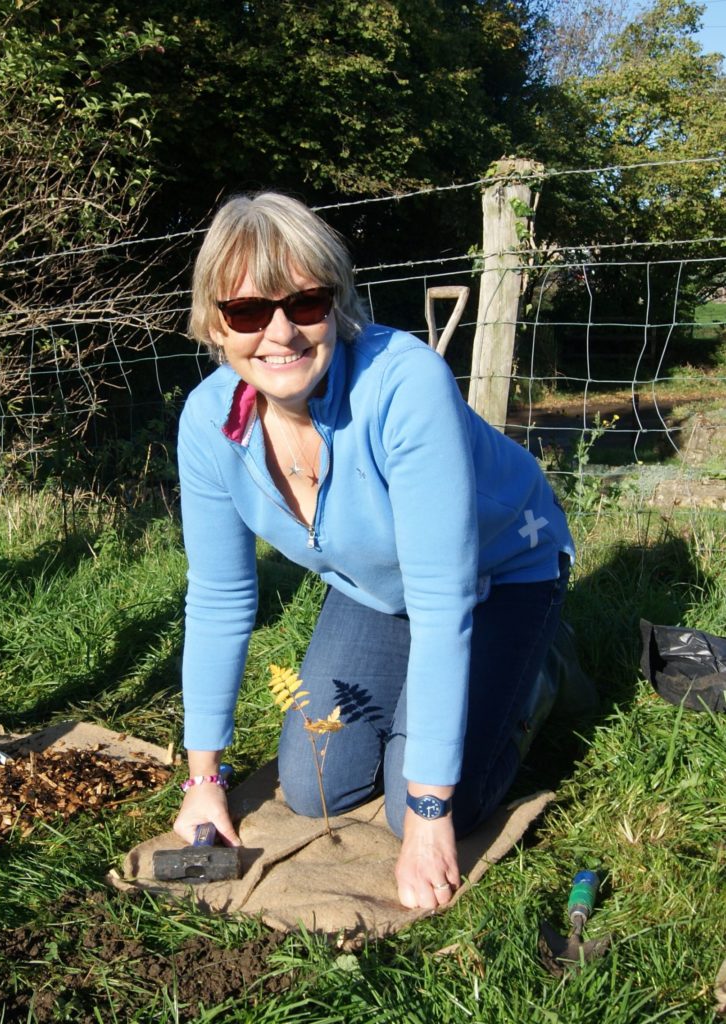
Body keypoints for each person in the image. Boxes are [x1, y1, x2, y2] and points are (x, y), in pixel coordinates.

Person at [173, 191, 574, 911]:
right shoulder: (209, 426)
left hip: (499, 574)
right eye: (246, 312)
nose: (280, 333)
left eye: (305, 302)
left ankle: (538, 668)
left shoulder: (405, 383)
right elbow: (220, 599)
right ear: (214, 324)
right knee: (312, 780)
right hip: (377, 592)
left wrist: (427, 815)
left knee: (411, 801)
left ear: (337, 303)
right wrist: (204, 780)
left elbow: (441, 598)